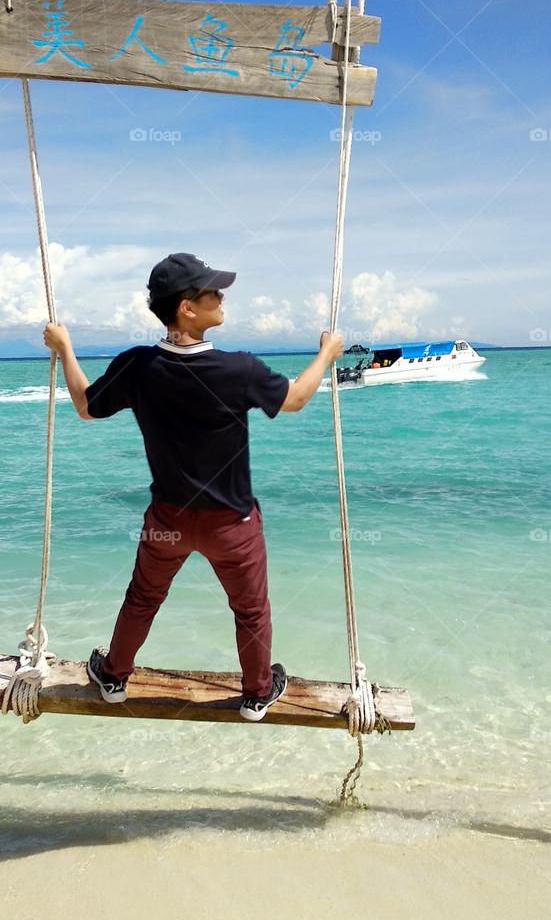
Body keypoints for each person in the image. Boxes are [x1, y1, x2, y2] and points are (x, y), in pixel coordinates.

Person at [44, 251, 343, 721]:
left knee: (143, 597)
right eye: (212, 292)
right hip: (232, 526)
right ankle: (256, 694)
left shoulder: (137, 367)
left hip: (168, 520)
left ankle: (115, 676)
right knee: (250, 610)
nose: (222, 297)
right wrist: (327, 353)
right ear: (186, 306)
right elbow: (296, 399)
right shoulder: (238, 369)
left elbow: (84, 407)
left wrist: (64, 348)